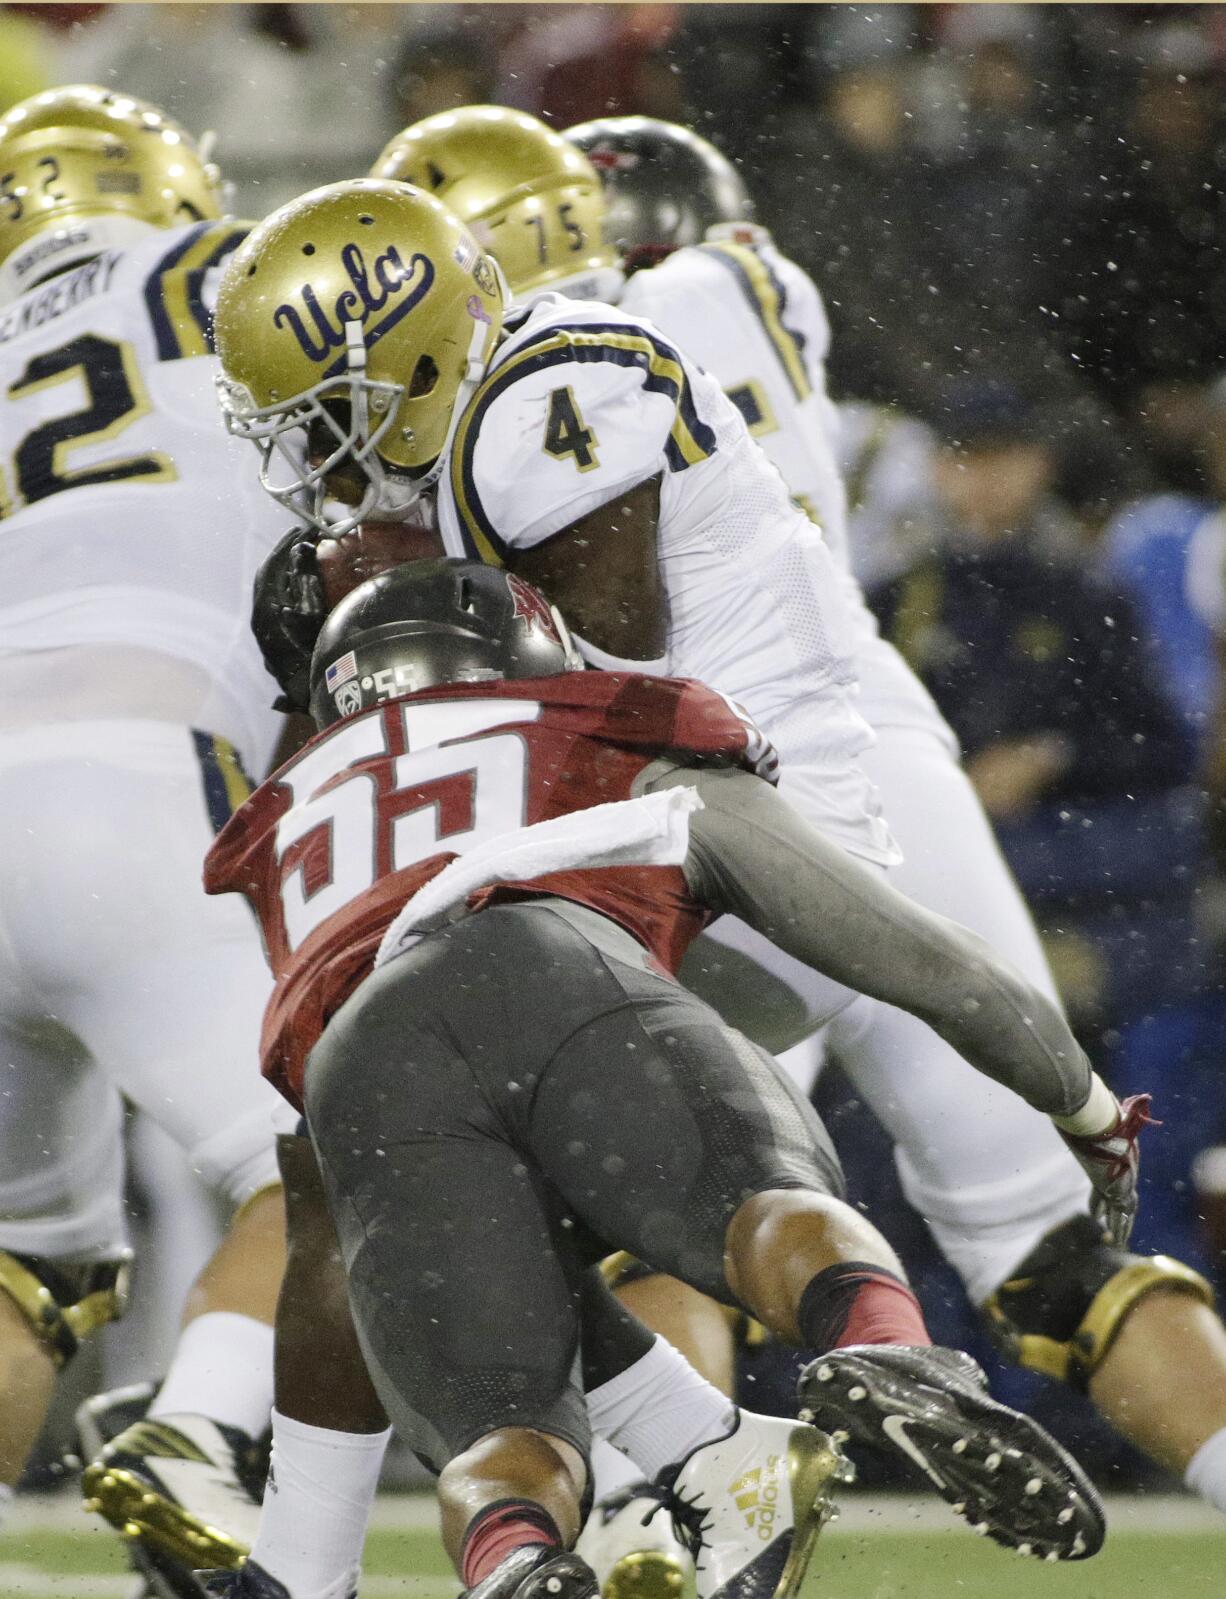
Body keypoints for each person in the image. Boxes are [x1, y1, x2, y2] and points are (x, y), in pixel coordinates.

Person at [199, 557, 1114, 1599]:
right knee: (756, 1204)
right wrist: (1080, 1105)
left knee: (498, 1433)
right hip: (554, 963)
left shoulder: (276, 823)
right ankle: (884, 1348)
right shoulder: (598, 718)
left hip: (360, 1069)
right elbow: (909, 956)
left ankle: (521, 1556)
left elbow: (346, 1204)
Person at [0, 84, 299, 1587]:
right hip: (144, 774)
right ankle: (200, 1429)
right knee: (336, 1171)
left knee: (25, 1260)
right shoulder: (238, 274)